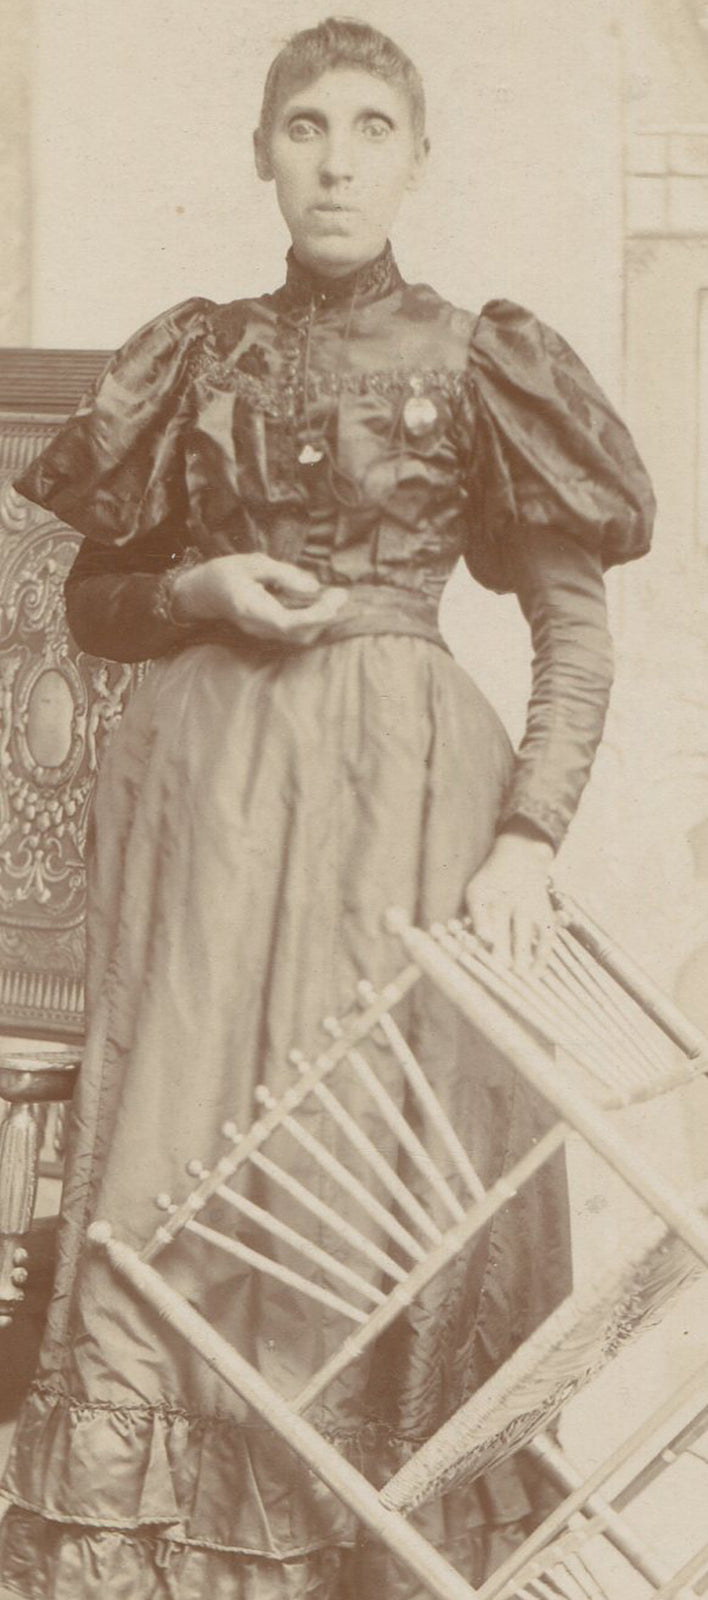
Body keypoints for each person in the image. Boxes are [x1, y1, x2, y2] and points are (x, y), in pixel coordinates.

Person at [0, 17, 655, 1600]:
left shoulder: (482, 358)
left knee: (381, 1164)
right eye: (307, 127)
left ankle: (373, 1546)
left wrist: (527, 837)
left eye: (371, 129)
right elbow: (94, 605)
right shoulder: (198, 355)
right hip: (206, 807)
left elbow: (573, 633)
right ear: (262, 153)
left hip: (405, 812)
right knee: (181, 1155)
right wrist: (200, 585)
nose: (338, 162)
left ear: (419, 158)